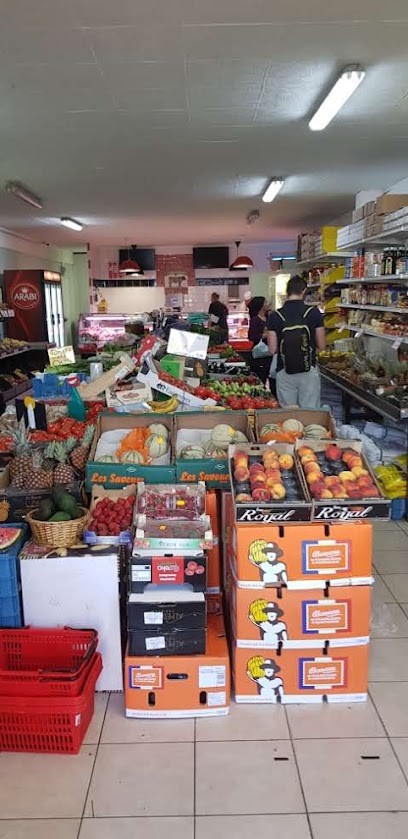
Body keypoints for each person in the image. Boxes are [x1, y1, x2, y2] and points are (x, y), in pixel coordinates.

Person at [266, 275, 326, 409]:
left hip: (284, 371)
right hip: (308, 371)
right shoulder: (314, 313)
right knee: (310, 412)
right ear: (303, 291)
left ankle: (292, 431)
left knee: (288, 414)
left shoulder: (275, 316)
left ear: (287, 292)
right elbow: (322, 345)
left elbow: (272, 349)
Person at [247, 296, 271, 386]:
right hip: (260, 354)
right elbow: (251, 337)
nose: (268, 304)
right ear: (260, 306)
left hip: (270, 354)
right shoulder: (255, 320)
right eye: (265, 302)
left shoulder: (269, 317)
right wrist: (264, 335)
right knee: (261, 380)